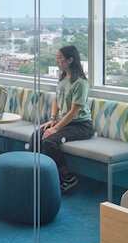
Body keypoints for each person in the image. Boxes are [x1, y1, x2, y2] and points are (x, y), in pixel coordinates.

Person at [29, 45, 93, 193]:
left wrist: (55, 128)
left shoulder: (81, 83)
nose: (58, 61)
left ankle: (67, 177)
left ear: (70, 60)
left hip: (81, 125)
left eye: (60, 58)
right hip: (64, 123)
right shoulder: (63, 78)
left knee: (49, 141)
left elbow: (74, 111)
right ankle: (36, 174)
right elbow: (57, 101)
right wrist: (52, 120)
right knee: (36, 135)